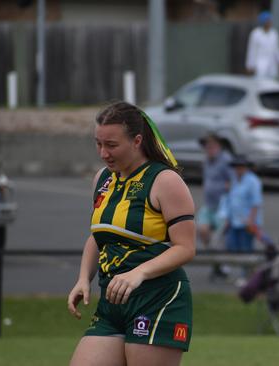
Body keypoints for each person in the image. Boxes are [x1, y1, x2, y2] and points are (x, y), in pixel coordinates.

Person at [67, 101, 196, 366]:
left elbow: (185, 247)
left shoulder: (165, 180)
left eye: (112, 145)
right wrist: (83, 279)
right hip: (112, 303)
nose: (103, 153)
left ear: (137, 141)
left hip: (158, 299)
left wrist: (138, 273)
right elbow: (98, 237)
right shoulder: (102, 179)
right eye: (98, 144)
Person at [197, 133, 232, 279]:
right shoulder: (206, 161)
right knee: (202, 230)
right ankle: (216, 263)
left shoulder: (226, 160)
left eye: (212, 146)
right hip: (209, 205)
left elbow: (232, 181)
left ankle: (220, 267)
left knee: (217, 240)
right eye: (207, 146)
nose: (209, 149)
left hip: (222, 207)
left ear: (219, 146)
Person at [221, 155, 263, 252]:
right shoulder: (234, 180)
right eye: (237, 167)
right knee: (231, 247)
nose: (238, 169)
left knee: (245, 249)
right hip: (234, 221)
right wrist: (228, 219)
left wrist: (251, 221)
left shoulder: (253, 181)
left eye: (241, 166)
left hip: (246, 223)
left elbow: (256, 203)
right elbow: (231, 200)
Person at [245, 10, 279, 78]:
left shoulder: (274, 33)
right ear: (263, 21)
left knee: (273, 82)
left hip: (272, 64)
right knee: (260, 81)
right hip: (260, 63)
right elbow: (252, 50)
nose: (269, 22)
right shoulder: (255, 33)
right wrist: (250, 65)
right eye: (268, 20)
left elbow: (278, 49)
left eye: (270, 20)